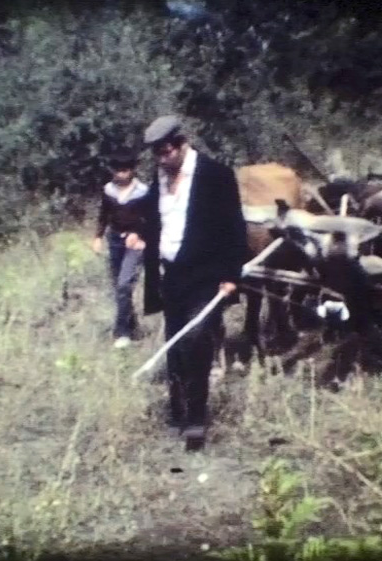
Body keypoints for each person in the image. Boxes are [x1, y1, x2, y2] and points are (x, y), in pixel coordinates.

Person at [124, 115, 249, 451]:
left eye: (165, 152)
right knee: (175, 344)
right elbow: (155, 219)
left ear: (182, 143)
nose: (161, 159)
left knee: (196, 341)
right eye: (156, 154)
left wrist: (231, 276)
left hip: (206, 274)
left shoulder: (216, 175)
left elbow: (234, 228)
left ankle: (196, 420)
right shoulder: (160, 179)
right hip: (171, 276)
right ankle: (177, 409)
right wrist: (140, 234)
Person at [92, 149, 149, 349]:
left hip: (135, 243)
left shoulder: (143, 192)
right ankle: (133, 326)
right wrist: (98, 237)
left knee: (125, 284)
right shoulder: (109, 191)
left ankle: (122, 332)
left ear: (132, 170)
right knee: (118, 286)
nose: (121, 174)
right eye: (117, 170)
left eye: (125, 169)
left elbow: (150, 219)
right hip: (115, 240)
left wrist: (139, 234)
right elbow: (103, 215)